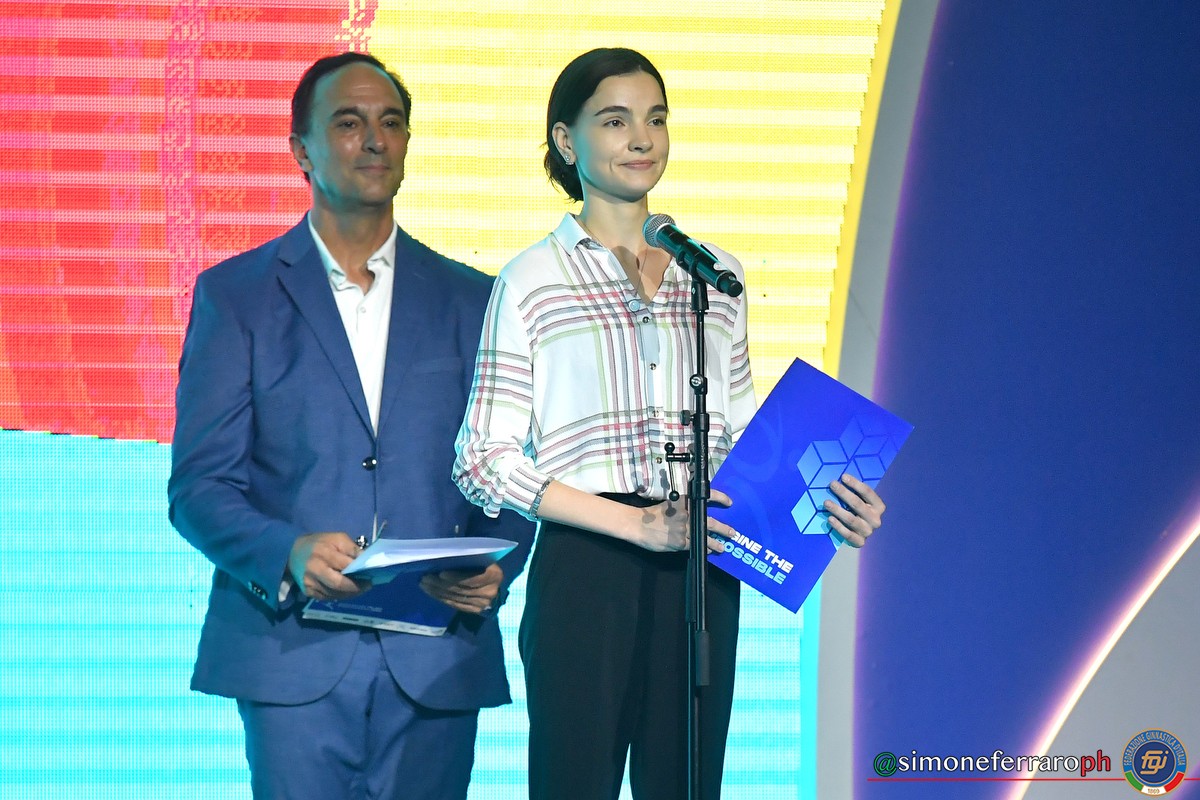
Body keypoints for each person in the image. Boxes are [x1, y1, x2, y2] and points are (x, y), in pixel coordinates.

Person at [453, 48, 886, 799]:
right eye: (614, 121)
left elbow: (742, 438)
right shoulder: (532, 279)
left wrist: (829, 504)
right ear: (565, 141)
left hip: (702, 565)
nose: (641, 138)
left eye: (655, 119)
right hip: (588, 563)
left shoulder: (716, 275)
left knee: (687, 784)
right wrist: (633, 525)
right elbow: (482, 460)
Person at [168, 52, 532, 800]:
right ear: (300, 150)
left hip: (435, 652)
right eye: (348, 123)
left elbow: (511, 474)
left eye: (390, 123)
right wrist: (286, 550)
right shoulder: (236, 296)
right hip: (292, 651)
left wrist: (499, 566)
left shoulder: (475, 300)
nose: (374, 140)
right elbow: (200, 488)